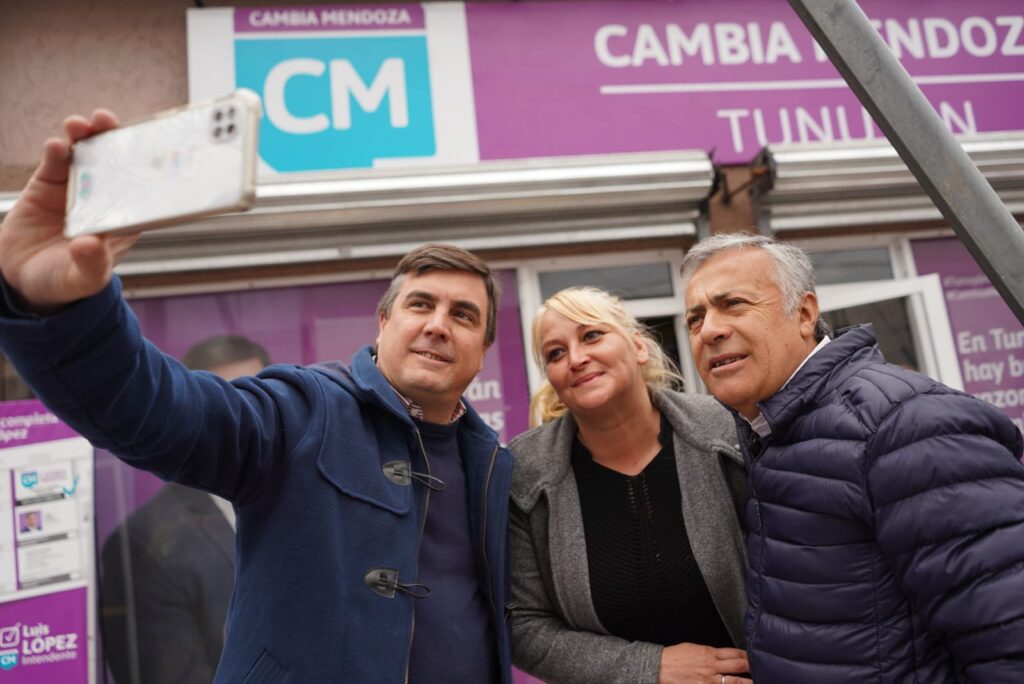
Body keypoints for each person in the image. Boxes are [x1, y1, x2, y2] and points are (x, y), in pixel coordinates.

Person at [0, 110, 514, 683]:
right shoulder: (301, 411)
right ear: (383, 322)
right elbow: (156, 409)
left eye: (463, 315)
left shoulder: (493, 464)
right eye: (420, 305)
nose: (438, 325)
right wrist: (61, 311)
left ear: (483, 349)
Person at [680, 232, 1024, 683]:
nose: (710, 330)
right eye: (695, 319)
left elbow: (1008, 636)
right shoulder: (770, 430)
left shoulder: (906, 424)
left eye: (734, 304)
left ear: (805, 314)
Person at [508, 286, 751, 684]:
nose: (576, 359)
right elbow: (525, 627)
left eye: (591, 335)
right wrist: (649, 668)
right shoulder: (526, 475)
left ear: (638, 347)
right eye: (555, 353)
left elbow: (793, 576)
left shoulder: (730, 433)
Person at [100, 334, 271, 684]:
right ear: (191, 413)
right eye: (226, 405)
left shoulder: (315, 499)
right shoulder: (146, 542)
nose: (245, 420)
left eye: (257, 401)